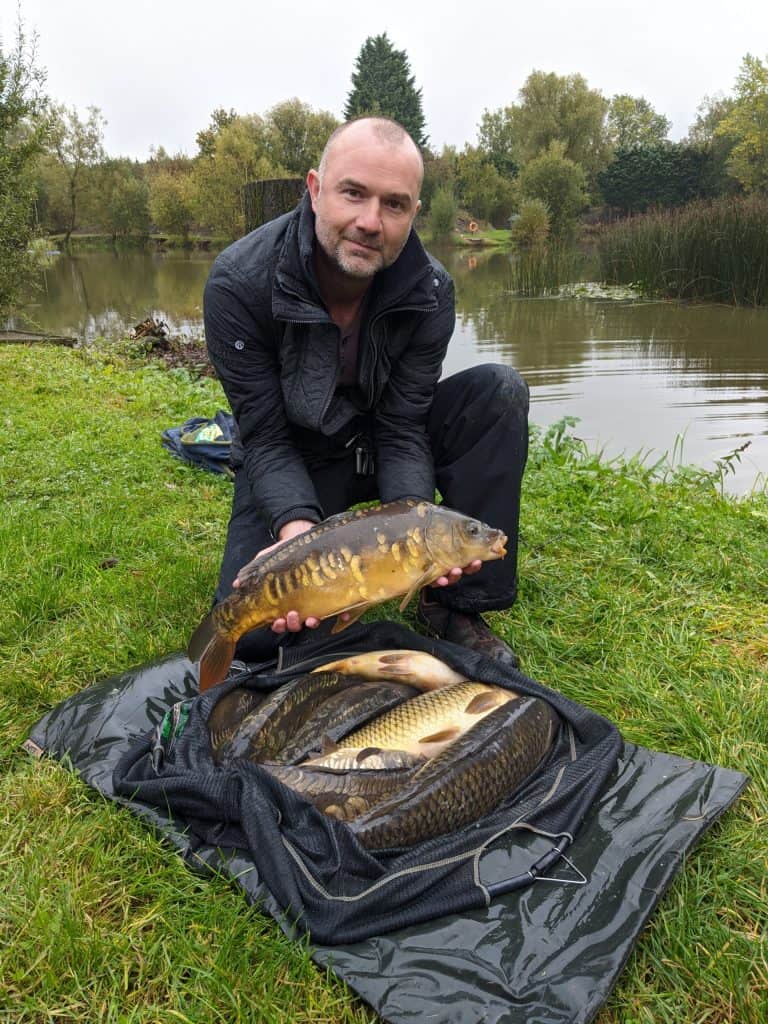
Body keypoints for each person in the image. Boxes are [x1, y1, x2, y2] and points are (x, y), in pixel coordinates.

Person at [203, 116, 529, 668]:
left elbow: (403, 426)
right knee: (256, 638)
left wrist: (418, 537)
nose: (370, 222)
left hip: (383, 445)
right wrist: (299, 536)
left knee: (498, 393)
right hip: (298, 456)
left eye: (394, 204)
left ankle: (453, 602)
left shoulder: (430, 290)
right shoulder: (238, 282)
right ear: (315, 190)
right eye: (353, 193)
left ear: (413, 213)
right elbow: (266, 438)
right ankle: (309, 556)